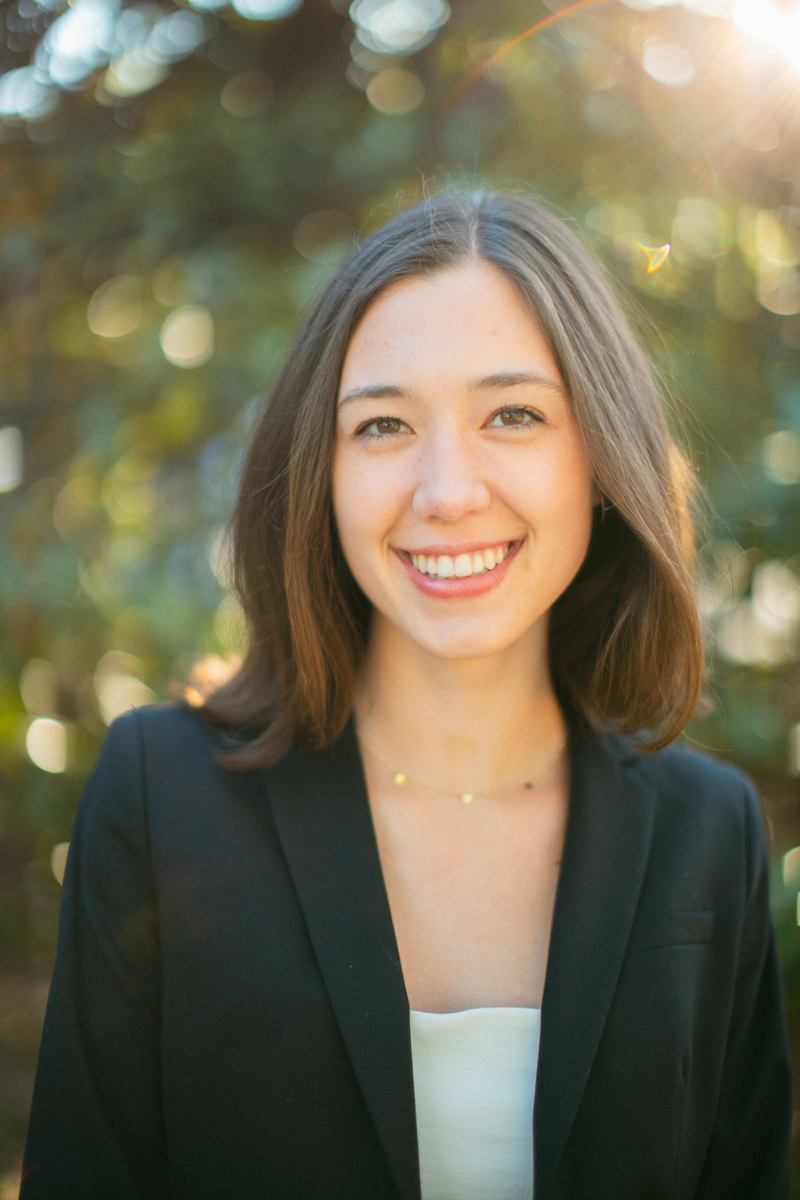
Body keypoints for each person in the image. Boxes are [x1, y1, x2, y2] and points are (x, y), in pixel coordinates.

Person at [21, 192, 791, 1200]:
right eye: (382, 425)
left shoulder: (709, 830)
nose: (445, 491)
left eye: (511, 414)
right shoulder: (162, 798)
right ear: (321, 472)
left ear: (598, 458)